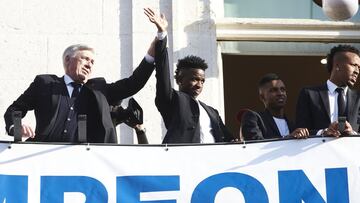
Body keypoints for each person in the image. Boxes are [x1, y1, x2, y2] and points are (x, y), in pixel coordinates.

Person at [4, 31, 160, 143]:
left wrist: (153, 53)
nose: (89, 65)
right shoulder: (45, 83)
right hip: (42, 157)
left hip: (83, 161)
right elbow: (15, 109)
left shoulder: (99, 89)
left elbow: (132, 84)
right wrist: (16, 127)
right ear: (68, 60)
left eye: (92, 62)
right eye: (85, 59)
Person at [144, 8, 234, 144]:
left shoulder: (212, 112)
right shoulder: (171, 100)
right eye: (194, 79)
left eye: (202, 81)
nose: (199, 84)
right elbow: (162, 74)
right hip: (184, 161)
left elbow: (229, 140)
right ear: (179, 80)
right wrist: (162, 35)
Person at [296, 45, 360, 137]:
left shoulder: (358, 98)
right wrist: (324, 132)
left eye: (359, 67)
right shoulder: (309, 94)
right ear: (337, 66)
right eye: (354, 65)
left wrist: (352, 133)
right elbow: (300, 131)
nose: (357, 71)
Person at [241, 73, 309, 140]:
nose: (280, 93)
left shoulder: (293, 125)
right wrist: (288, 139)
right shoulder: (253, 118)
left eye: (283, 89)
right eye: (274, 90)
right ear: (262, 97)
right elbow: (255, 144)